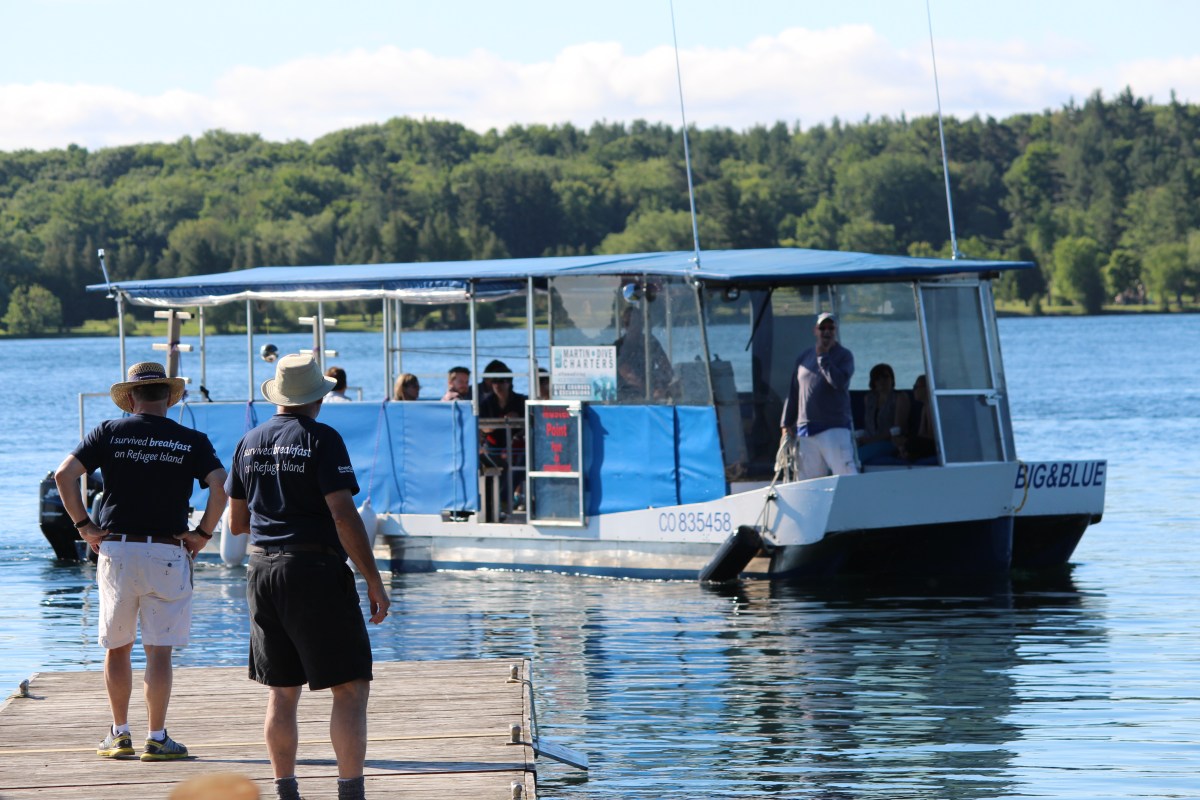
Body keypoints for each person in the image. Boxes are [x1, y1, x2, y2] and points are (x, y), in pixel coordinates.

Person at [225, 354, 390, 800]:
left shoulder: (249, 441)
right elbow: (343, 515)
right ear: (318, 396)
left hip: (261, 571)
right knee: (350, 689)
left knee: (282, 691)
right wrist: (372, 578)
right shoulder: (322, 439)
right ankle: (350, 792)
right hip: (313, 570)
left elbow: (238, 523)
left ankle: (286, 791)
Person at [54, 362, 227, 762]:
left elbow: (65, 475)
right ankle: (157, 736)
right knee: (159, 650)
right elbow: (221, 485)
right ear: (168, 396)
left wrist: (84, 525)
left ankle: (119, 734)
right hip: (168, 549)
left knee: (117, 648)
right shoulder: (192, 440)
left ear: (130, 398)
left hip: (117, 548)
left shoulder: (108, 432)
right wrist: (202, 533)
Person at [780, 312, 858, 479]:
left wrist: (823, 357)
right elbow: (794, 391)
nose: (826, 331)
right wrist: (786, 424)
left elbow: (838, 382)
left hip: (834, 428)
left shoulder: (844, 356)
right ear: (815, 330)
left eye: (831, 328)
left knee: (846, 476)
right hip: (806, 431)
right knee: (808, 482)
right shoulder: (803, 357)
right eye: (822, 328)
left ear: (835, 331)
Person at [478, 360, 528, 512]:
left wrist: (518, 426)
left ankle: (503, 500)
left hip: (516, 446)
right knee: (504, 464)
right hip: (493, 447)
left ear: (509, 382)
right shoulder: (486, 403)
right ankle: (503, 501)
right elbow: (483, 427)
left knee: (522, 462)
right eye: (494, 382)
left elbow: (529, 425)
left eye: (501, 381)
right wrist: (503, 420)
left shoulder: (521, 401)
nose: (497, 385)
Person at [614, 306, 673, 402]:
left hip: (652, 393)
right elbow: (628, 375)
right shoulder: (618, 347)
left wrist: (661, 385)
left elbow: (666, 367)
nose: (637, 327)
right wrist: (650, 390)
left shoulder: (651, 342)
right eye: (633, 323)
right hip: (625, 397)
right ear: (625, 326)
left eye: (639, 323)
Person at [857, 363, 910, 464]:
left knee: (857, 457)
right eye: (878, 378)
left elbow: (898, 428)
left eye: (885, 377)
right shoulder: (869, 398)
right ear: (873, 382)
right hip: (869, 442)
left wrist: (871, 440)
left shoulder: (900, 397)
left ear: (892, 379)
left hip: (890, 442)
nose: (882, 381)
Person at [900, 374, 938, 464]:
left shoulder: (934, 406)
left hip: (935, 444)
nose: (914, 390)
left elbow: (935, 436)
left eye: (916, 387)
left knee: (911, 443)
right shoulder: (925, 407)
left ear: (927, 388)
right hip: (927, 442)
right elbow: (921, 433)